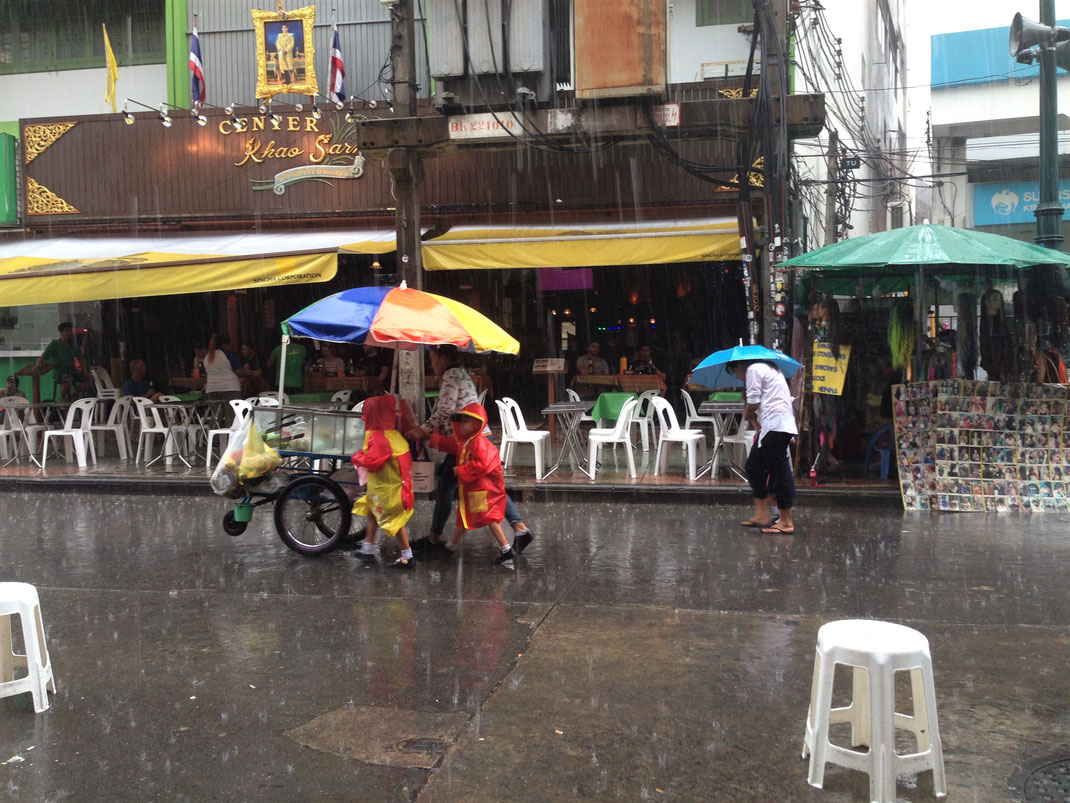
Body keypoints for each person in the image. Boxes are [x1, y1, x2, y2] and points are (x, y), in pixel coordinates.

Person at [406, 345, 534, 556]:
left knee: (464, 488)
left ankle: (437, 540)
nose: (433, 364)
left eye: (433, 358)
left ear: (444, 358)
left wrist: (423, 429)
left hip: (470, 441)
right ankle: (518, 529)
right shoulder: (461, 373)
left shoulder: (451, 375)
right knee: (485, 487)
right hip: (471, 438)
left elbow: (445, 410)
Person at [429, 403, 518, 565]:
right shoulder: (468, 441)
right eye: (461, 422)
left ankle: (506, 548)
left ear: (477, 423)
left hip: (480, 490)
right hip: (473, 490)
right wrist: (437, 441)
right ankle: (450, 546)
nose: (462, 425)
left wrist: (462, 470)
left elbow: (482, 464)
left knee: (487, 518)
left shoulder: (477, 443)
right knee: (465, 517)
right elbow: (452, 445)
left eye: (466, 422)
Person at [731, 360, 798, 535]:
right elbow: (759, 409)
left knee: (778, 472)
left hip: (776, 426)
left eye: (735, 372)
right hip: (771, 427)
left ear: (739, 367)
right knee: (753, 467)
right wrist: (751, 411)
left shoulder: (754, 370)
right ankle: (762, 514)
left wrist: (747, 410)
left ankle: (786, 521)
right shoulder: (767, 370)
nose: (738, 377)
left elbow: (753, 404)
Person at [352, 394, 416, 569]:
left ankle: (407, 556)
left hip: (389, 491)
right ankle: (367, 549)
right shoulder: (391, 434)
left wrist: (357, 457)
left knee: (396, 522)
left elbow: (372, 462)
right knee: (373, 514)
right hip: (389, 488)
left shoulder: (378, 437)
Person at [35, 322, 92, 403]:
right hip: (60, 372)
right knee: (68, 380)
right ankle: (62, 398)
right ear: (61, 332)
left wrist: (85, 370)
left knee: (91, 379)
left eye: (70, 331)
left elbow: (81, 359)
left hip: (73, 371)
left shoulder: (73, 346)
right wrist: (39, 363)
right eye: (66, 331)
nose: (69, 333)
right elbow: (43, 357)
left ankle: (74, 394)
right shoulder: (55, 344)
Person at [203, 334, 242, 402]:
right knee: (232, 412)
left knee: (217, 412)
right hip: (229, 388)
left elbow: (205, 373)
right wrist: (249, 372)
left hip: (212, 389)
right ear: (224, 344)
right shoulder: (227, 354)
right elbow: (237, 371)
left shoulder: (206, 358)